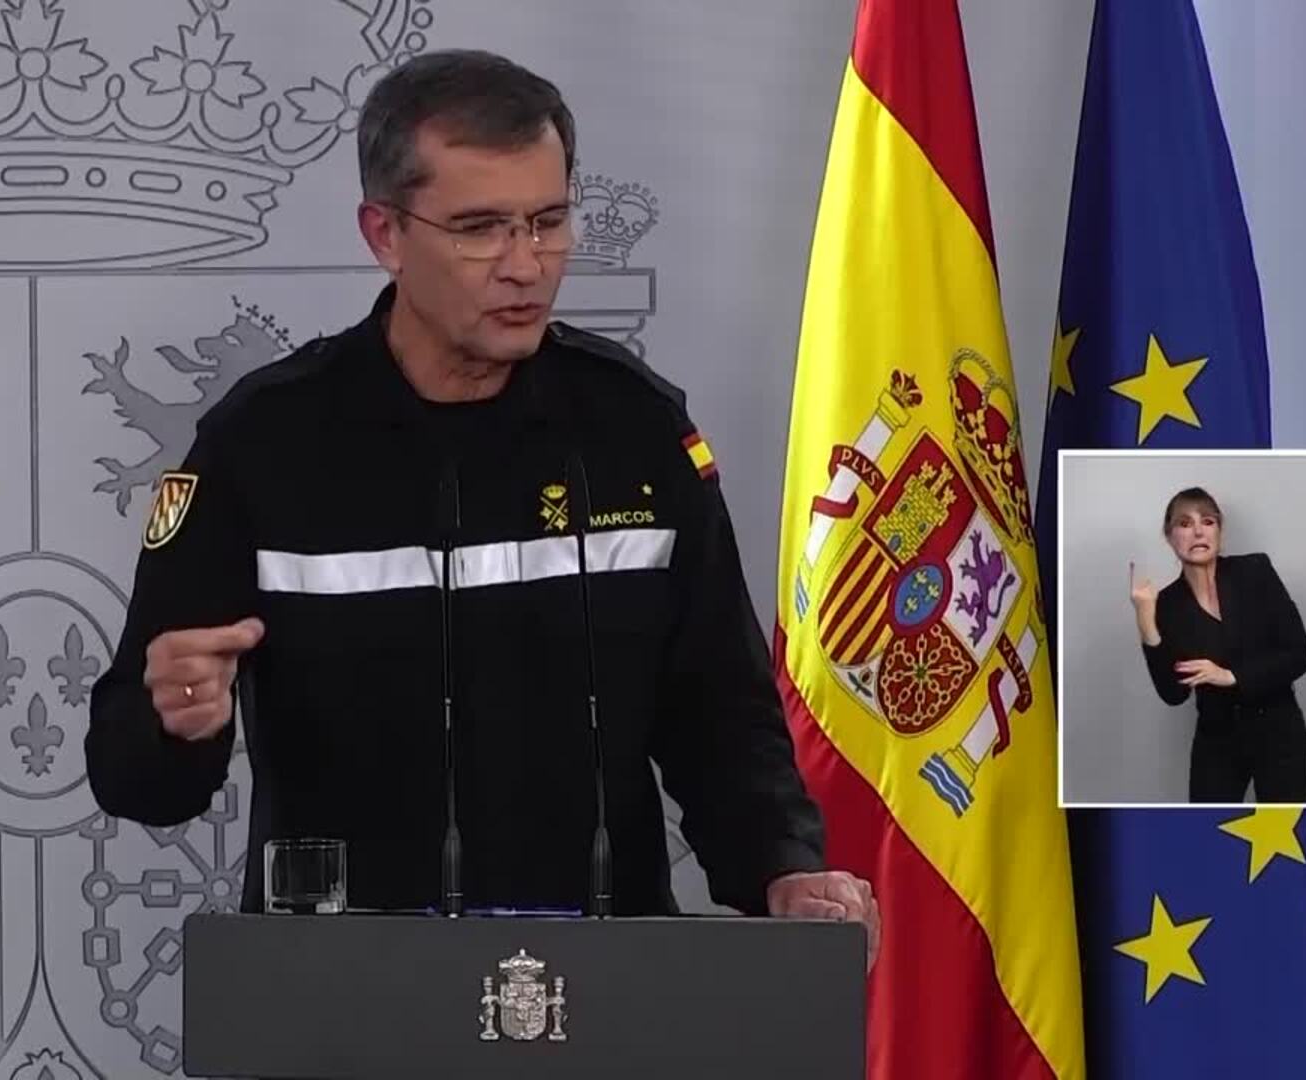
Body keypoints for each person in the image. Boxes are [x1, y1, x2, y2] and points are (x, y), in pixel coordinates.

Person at [85, 49, 879, 962]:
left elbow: (722, 715)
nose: (525, 265)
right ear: (385, 234)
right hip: (343, 993)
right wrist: (174, 722)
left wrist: (781, 868)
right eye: (479, 229)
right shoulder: (263, 444)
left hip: (604, 986)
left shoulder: (633, 431)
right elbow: (134, 775)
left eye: (548, 221)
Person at [1131, 487, 1306, 802]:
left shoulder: (1255, 571)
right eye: (1185, 523)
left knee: (1283, 825)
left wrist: (1230, 676)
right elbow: (1174, 694)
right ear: (1169, 536)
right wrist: (1145, 620)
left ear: (1220, 530)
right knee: (1206, 826)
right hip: (1217, 739)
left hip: (1278, 731)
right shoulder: (1168, 604)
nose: (1198, 531)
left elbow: (1300, 654)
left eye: (1208, 521)